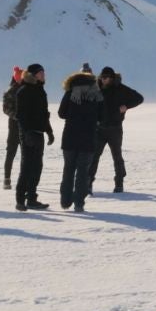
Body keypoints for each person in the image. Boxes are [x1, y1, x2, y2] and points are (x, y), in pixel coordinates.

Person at [56, 66, 103, 212]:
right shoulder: (96, 94)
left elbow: (61, 113)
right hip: (88, 137)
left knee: (68, 169)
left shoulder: (70, 92)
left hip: (70, 136)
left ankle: (65, 201)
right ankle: (79, 203)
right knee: (83, 171)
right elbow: (103, 116)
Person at [95, 67, 145, 195]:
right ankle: (88, 183)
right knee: (94, 156)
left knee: (117, 157)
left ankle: (119, 184)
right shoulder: (96, 88)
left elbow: (139, 98)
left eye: (106, 77)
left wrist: (126, 106)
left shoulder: (121, 88)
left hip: (115, 129)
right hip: (99, 129)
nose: (104, 80)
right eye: (102, 77)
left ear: (112, 78)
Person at [13, 64, 53, 210]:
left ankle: (31, 198)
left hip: (38, 133)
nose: (43, 75)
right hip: (28, 134)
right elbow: (21, 115)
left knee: (37, 167)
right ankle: (20, 200)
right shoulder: (24, 90)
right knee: (27, 166)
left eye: (44, 72)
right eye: (41, 73)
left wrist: (49, 131)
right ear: (33, 75)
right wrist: (26, 132)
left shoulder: (41, 91)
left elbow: (44, 114)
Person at [2, 66, 24, 189]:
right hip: (14, 127)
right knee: (11, 153)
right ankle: (7, 178)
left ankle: (22, 178)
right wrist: (17, 116)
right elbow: (6, 109)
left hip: (24, 127)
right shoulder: (10, 92)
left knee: (24, 154)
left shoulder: (27, 90)